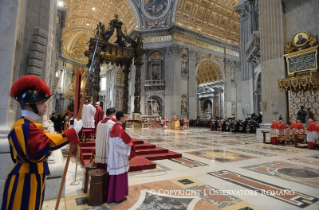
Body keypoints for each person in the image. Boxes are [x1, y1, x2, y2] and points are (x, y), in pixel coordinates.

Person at [1, 75, 83, 210]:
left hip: (33, 177)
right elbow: (43, 145)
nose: (45, 106)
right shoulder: (23, 126)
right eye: (41, 102)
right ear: (29, 105)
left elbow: (48, 137)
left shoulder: (31, 125)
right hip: (25, 179)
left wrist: (72, 132)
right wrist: (72, 132)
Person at [107, 111, 136, 203]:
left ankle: (114, 195)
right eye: (125, 116)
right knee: (119, 175)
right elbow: (118, 143)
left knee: (115, 175)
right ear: (121, 118)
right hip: (118, 156)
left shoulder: (115, 127)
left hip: (114, 154)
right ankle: (118, 196)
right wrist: (128, 146)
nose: (125, 118)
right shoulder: (118, 128)